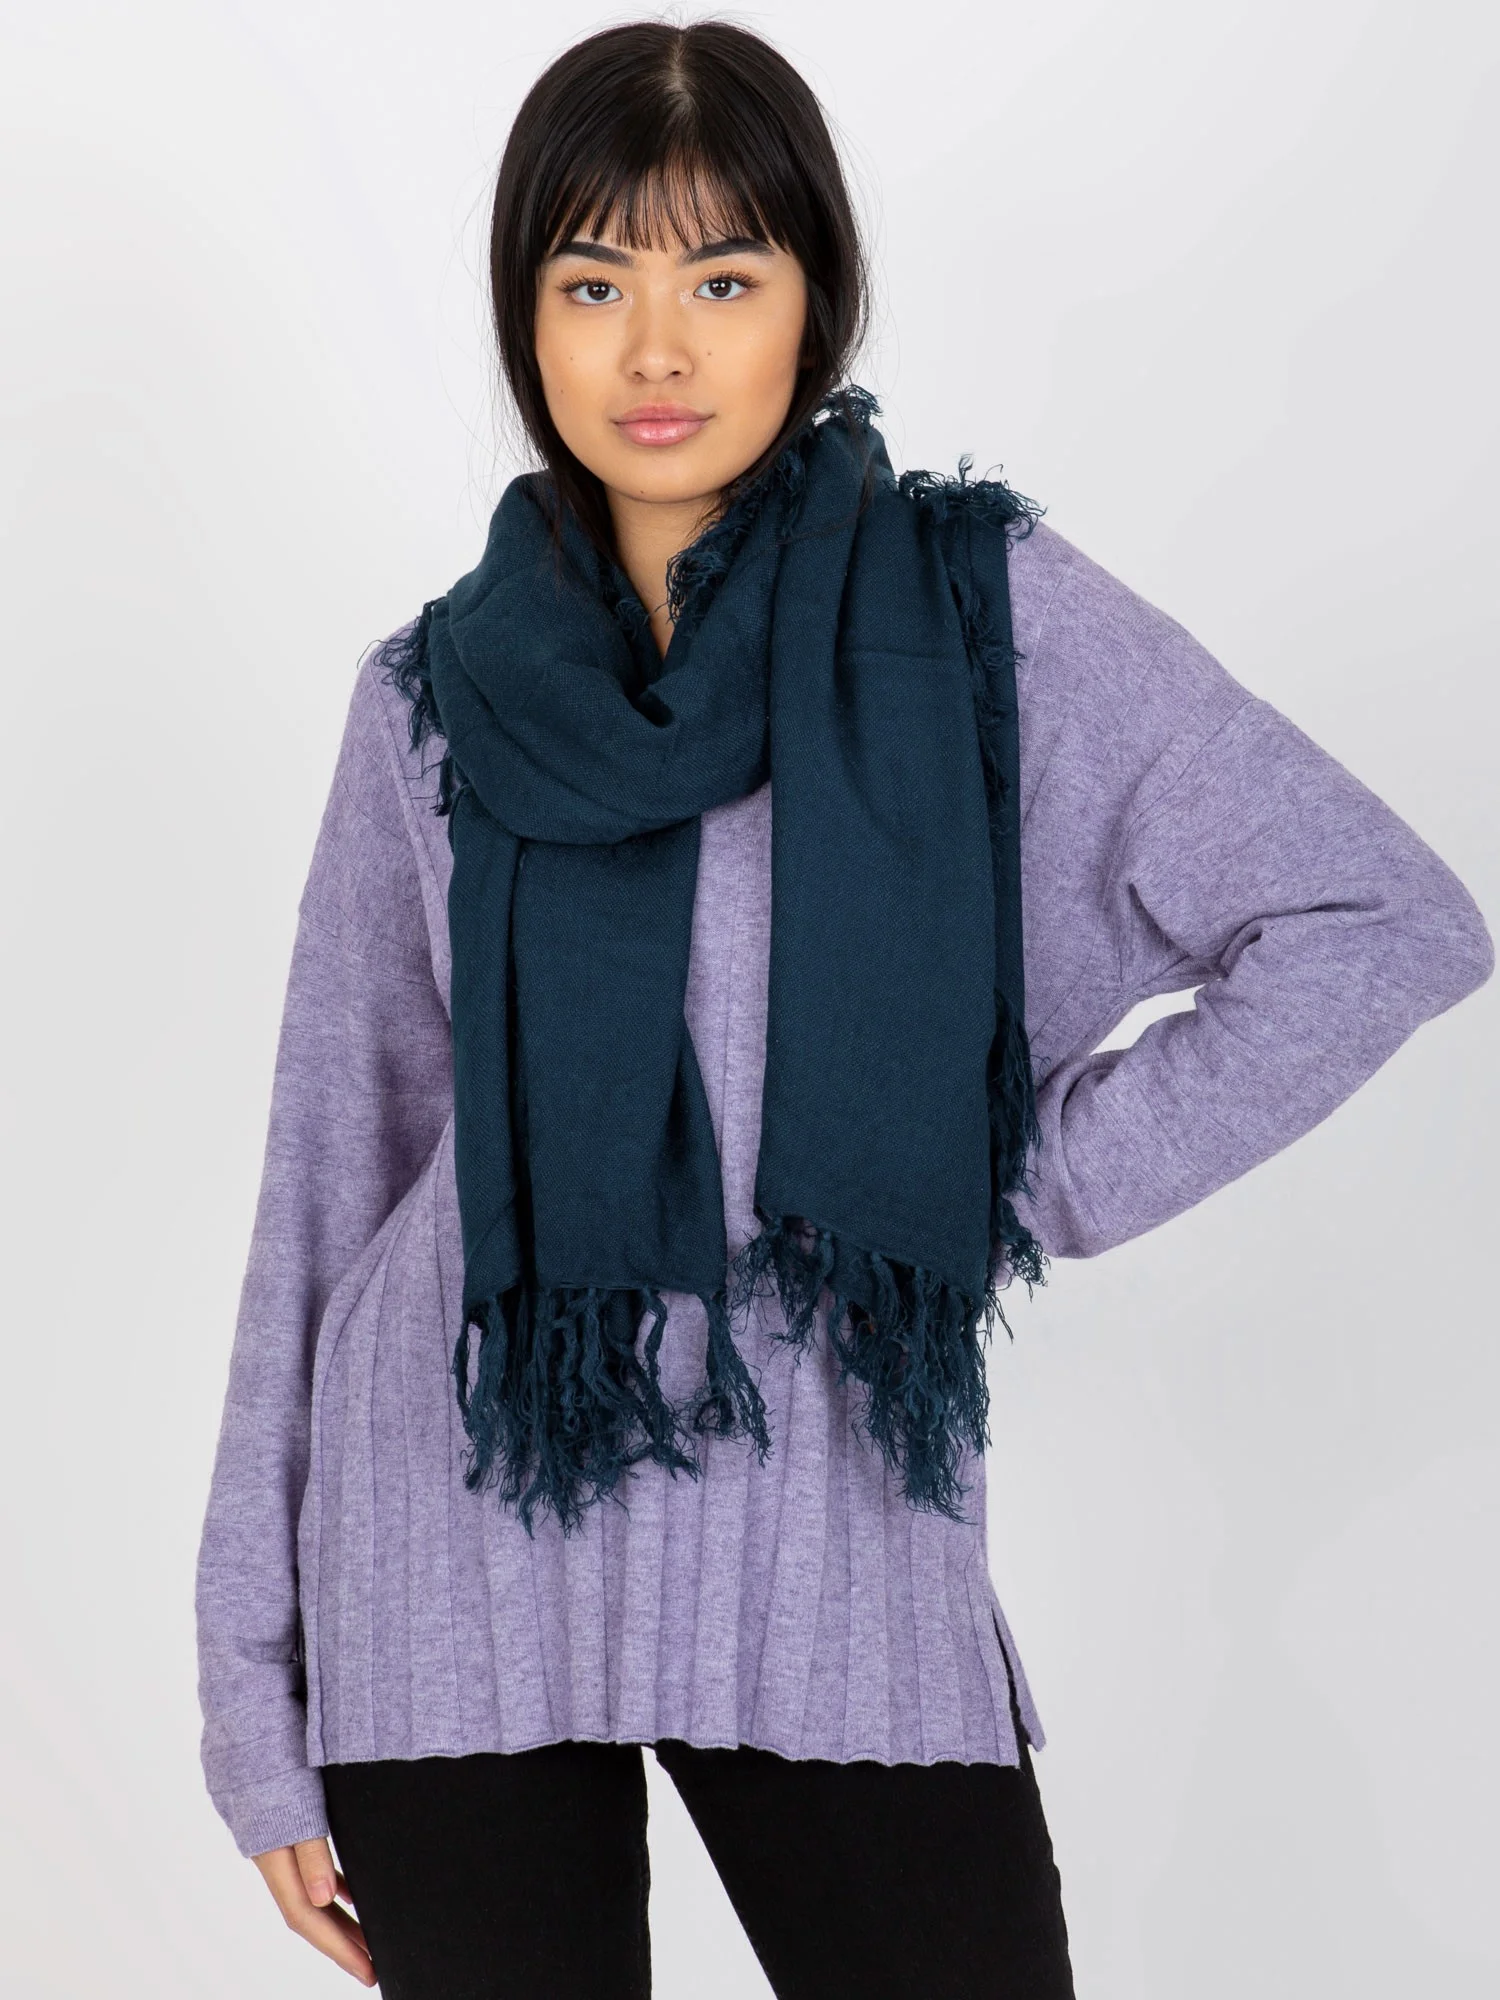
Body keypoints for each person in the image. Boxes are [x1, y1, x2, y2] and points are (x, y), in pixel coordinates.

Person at [193, 19, 1493, 1999]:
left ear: (818, 300)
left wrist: (1011, 1184)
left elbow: (1376, 917)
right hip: (445, 1546)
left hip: (832, 1538)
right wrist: (250, 1695)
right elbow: (331, 1168)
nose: (656, 350)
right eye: (593, 284)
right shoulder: (428, 699)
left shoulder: (977, 617)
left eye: (722, 279)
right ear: (525, 317)